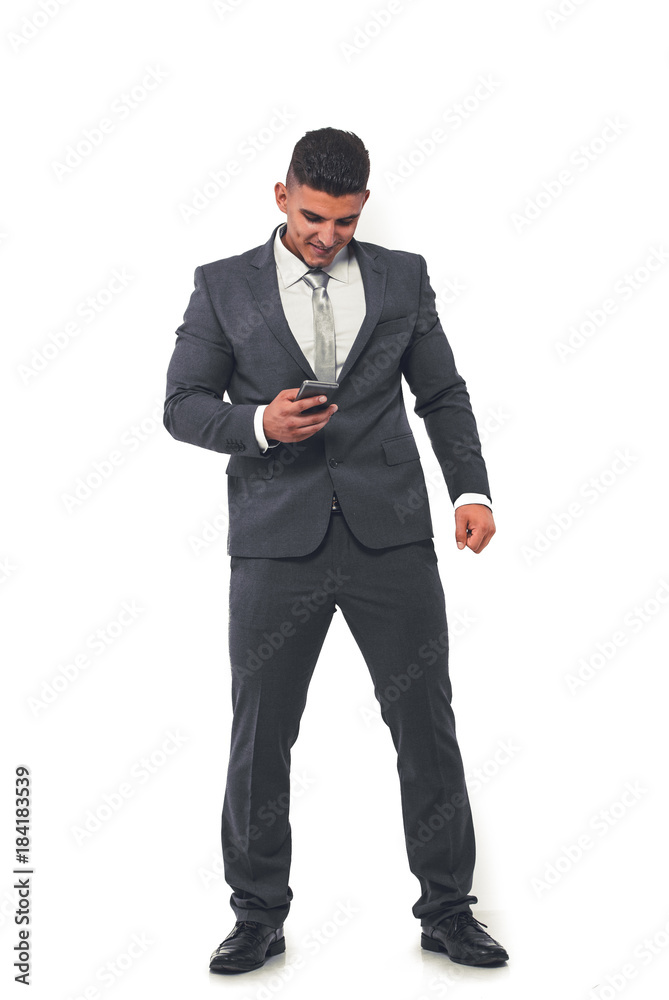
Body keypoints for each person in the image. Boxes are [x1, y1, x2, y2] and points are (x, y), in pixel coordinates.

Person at [163, 127, 509, 974]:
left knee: (425, 724)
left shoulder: (402, 277)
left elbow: (442, 391)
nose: (328, 236)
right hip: (276, 541)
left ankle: (448, 911)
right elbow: (181, 405)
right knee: (261, 734)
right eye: (315, 217)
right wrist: (256, 426)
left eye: (345, 221)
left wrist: (470, 490)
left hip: (390, 535)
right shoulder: (222, 287)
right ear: (281, 196)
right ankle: (256, 916)